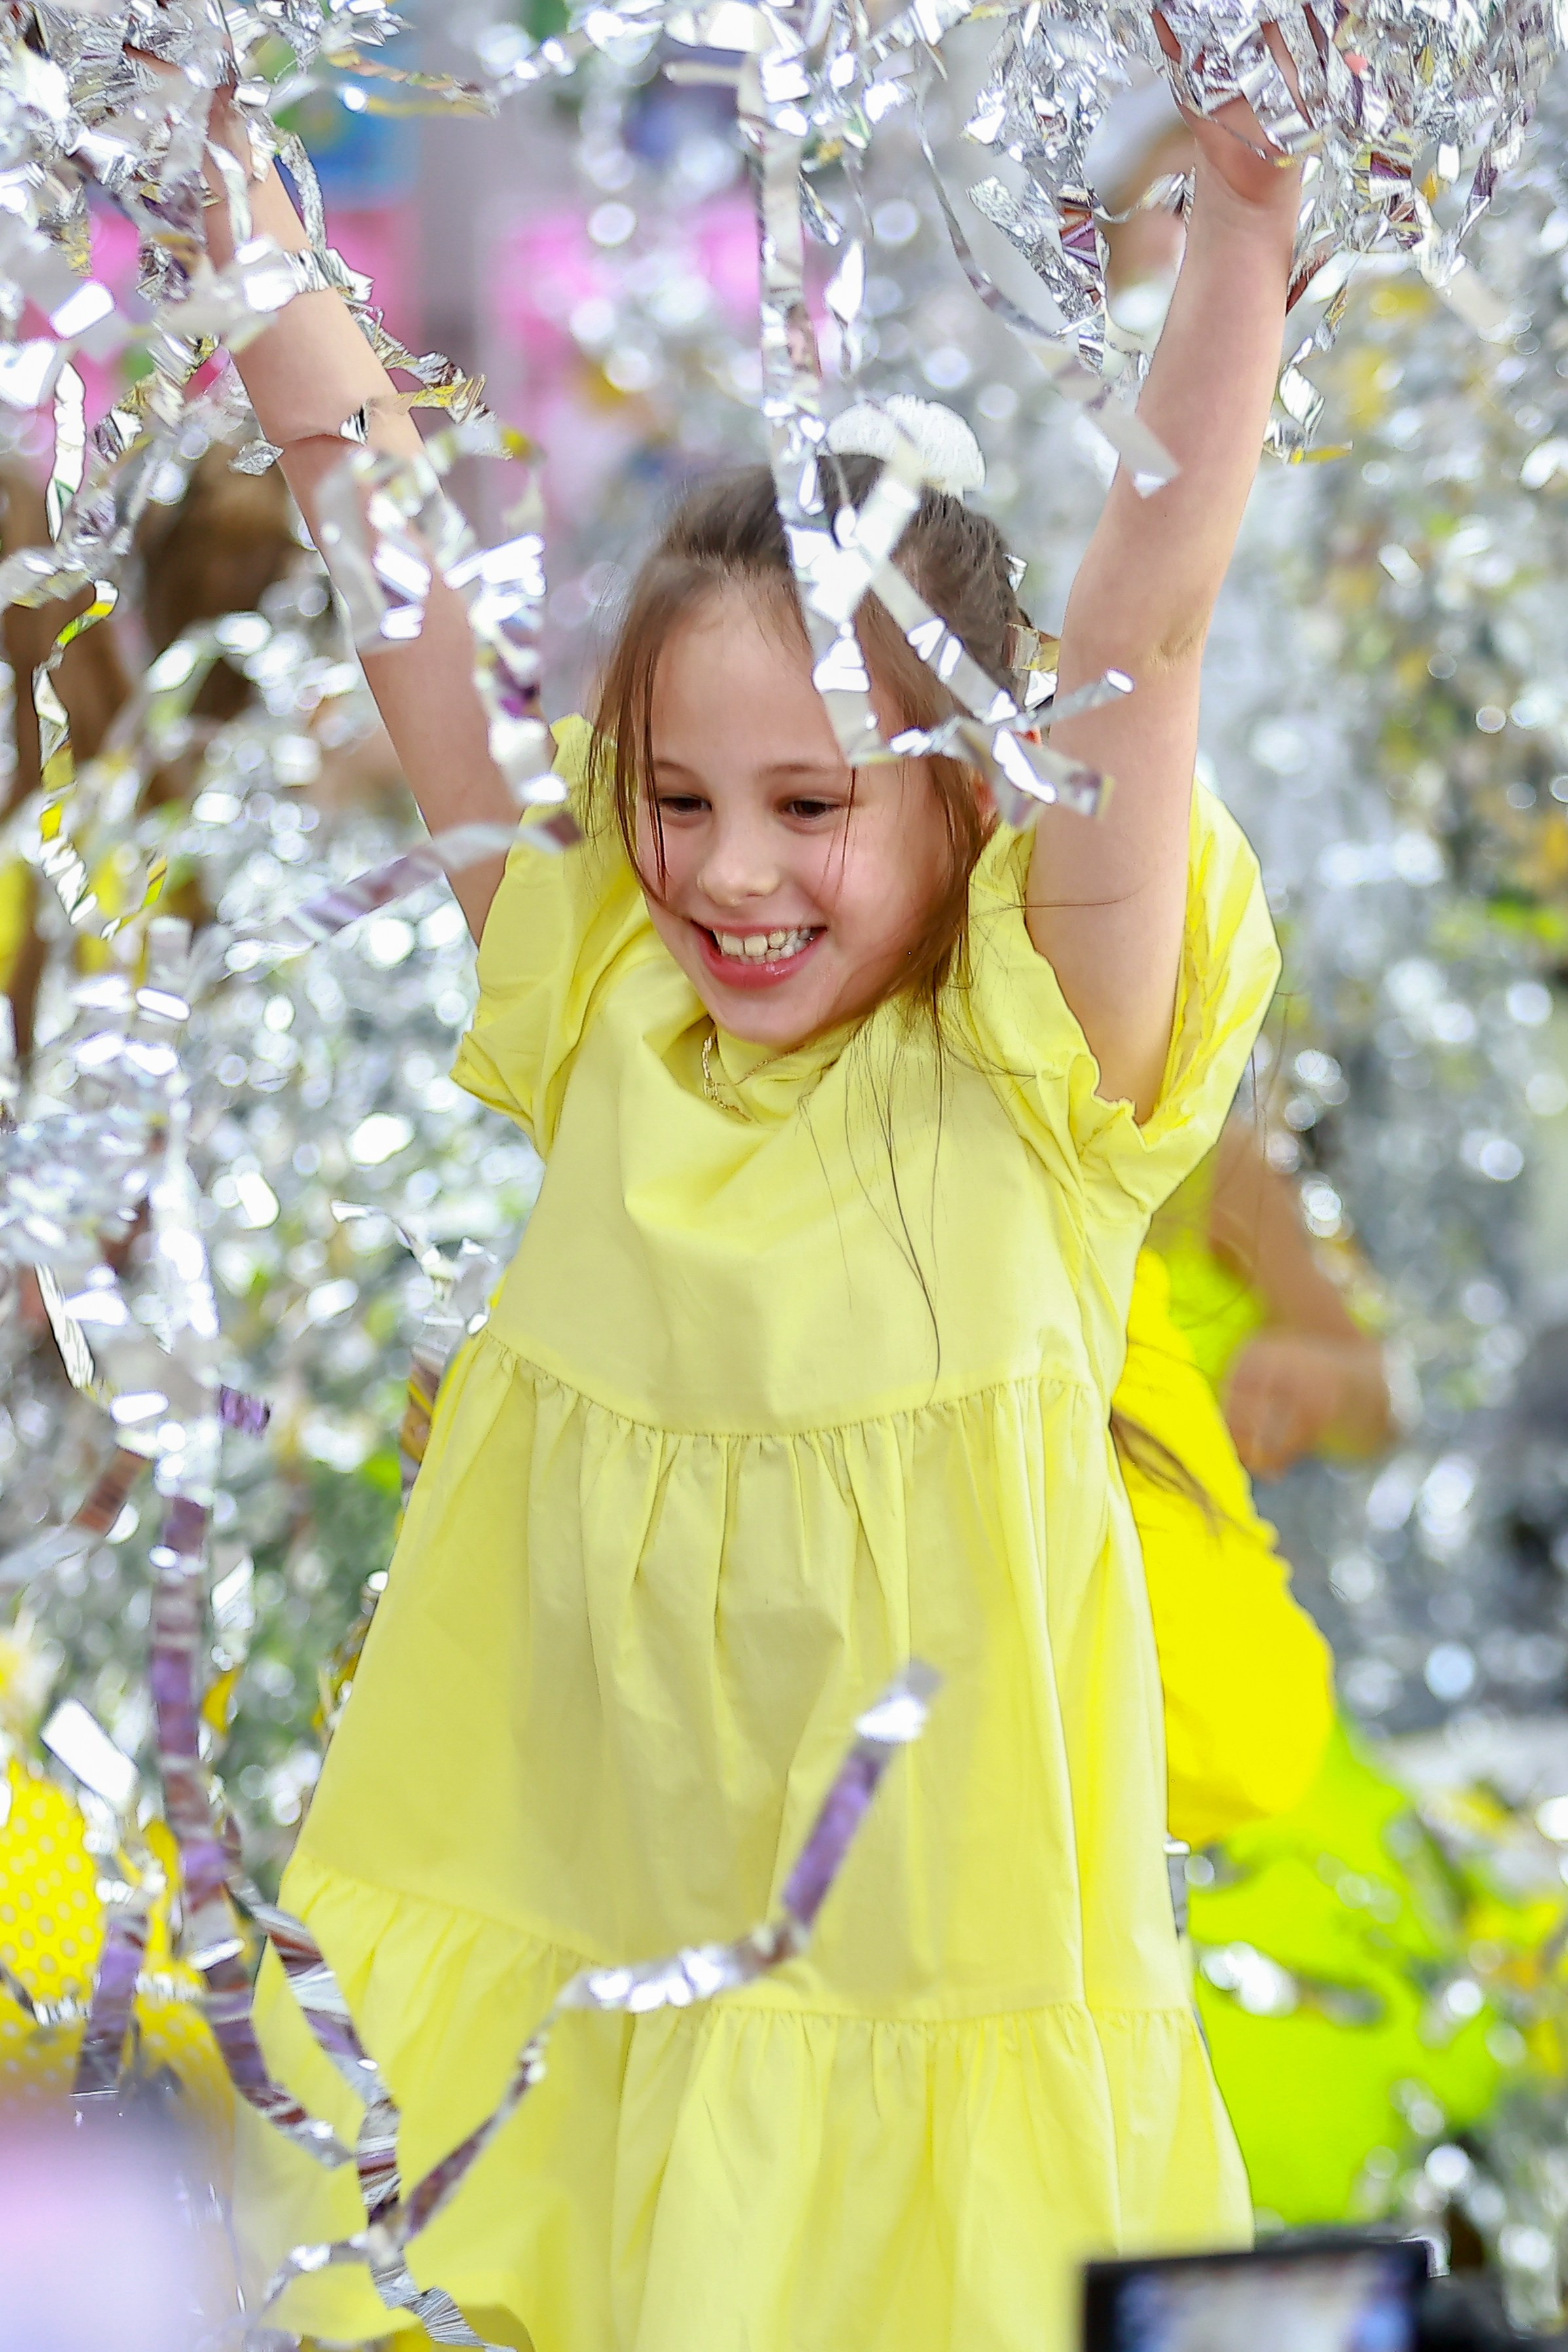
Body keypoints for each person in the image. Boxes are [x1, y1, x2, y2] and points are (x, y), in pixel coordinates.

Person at [207, 52, 1302, 2352]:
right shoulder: (605, 997)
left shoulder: (1032, 1083)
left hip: (922, 2047)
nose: (723, 872)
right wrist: (217, 177)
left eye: (810, 804)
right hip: (565, 1997)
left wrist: (1244, 211)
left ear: (968, 798)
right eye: (675, 795)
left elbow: (1152, 616)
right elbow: (374, 525)